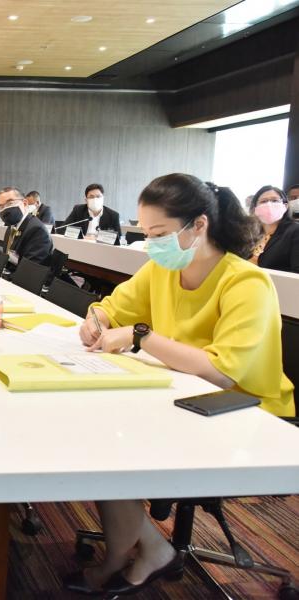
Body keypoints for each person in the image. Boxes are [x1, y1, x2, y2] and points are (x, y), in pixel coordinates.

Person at [66, 174, 293, 598]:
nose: (152, 244)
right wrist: (97, 321)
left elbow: (223, 371)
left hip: (245, 409)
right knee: (94, 431)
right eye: (146, 234)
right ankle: (151, 548)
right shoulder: (161, 270)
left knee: (109, 447)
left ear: (199, 225)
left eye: (160, 234)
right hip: (180, 393)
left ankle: (123, 559)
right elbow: (110, 308)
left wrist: (141, 336)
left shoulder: (246, 282)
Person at [0, 187, 53, 267]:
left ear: (25, 203)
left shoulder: (37, 230)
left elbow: (29, 269)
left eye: (10, 203)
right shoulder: (11, 227)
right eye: (1, 207)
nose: (5, 209)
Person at [248, 185, 299, 273]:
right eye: (263, 201)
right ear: (254, 208)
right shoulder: (249, 233)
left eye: (275, 200)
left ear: (285, 206)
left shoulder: (295, 231)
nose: (269, 205)